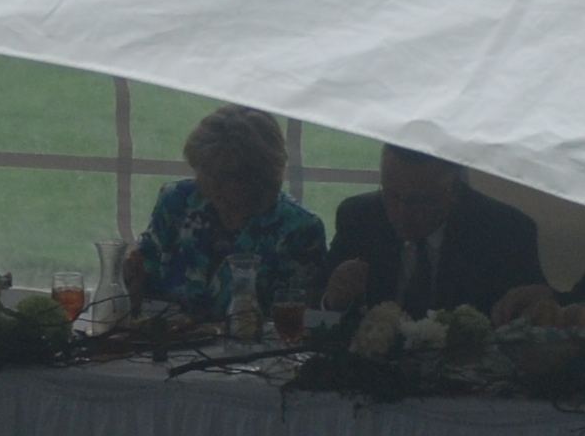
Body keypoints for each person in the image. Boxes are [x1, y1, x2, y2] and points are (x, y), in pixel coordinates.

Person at [122, 105, 326, 323]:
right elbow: (146, 274)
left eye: (226, 176)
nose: (210, 184)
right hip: (167, 339)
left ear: (260, 177)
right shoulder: (177, 200)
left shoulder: (298, 229)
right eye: (204, 170)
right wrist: (131, 276)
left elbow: (297, 320)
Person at [322, 145, 541, 317]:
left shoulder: (505, 231)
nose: (402, 212)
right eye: (391, 195)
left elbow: (535, 318)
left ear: (454, 190)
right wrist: (332, 302)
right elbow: (314, 309)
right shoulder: (360, 218)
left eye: (419, 200)